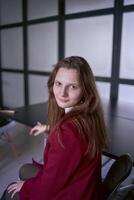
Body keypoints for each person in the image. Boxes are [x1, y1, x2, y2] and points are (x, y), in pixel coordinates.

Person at [1, 56, 107, 200]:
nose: (62, 93)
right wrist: (50, 128)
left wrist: (27, 186)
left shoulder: (67, 132)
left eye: (73, 86)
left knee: (9, 192)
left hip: (75, 193)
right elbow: (73, 141)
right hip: (87, 187)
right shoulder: (87, 117)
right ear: (53, 84)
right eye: (58, 83)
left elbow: (47, 189)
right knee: (24, 170)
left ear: (86, 90)